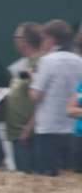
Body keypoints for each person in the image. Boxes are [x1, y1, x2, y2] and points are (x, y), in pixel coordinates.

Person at [29, 19, 82, 175]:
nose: (41, 43)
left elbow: (35, 95)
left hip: (49, 129)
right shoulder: (79, 60)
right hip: (72, 130)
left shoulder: (47, 61)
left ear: (51, 40)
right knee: (70, 179)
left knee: (48, 179)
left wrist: (33, 79)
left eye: (42, 39)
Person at [4, 22, 43, 174]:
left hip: (28, 136)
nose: (14, 40)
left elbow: (44, 101)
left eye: (16, 36)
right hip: (17, 134)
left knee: (31, 182)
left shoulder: (41, 63)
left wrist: (28, 129)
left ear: (24, 40)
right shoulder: (26, 65)